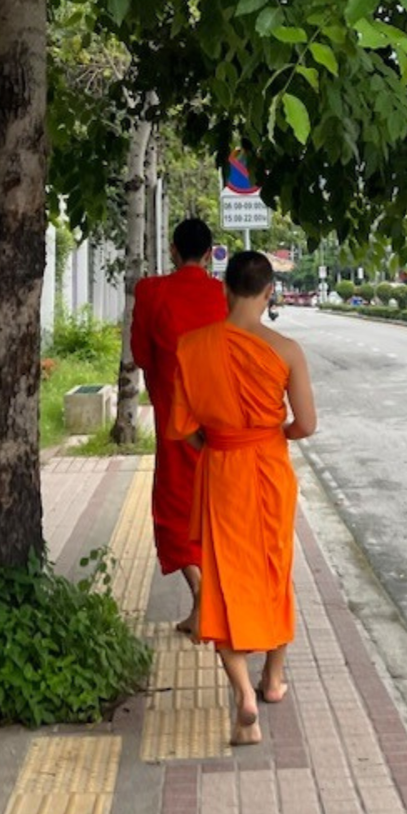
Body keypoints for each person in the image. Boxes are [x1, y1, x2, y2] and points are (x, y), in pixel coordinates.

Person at [169, 250, 318, 747]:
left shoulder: (192, 346)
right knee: (275, 570)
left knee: (224, 581)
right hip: (270, 471)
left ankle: (242, 695)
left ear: (225, 290)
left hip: (223, 472)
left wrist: (219, 444)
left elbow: (183, 429)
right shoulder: (287, 349)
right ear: (270, 292)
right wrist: (275, 433)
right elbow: (307, 425)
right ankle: (272, 681)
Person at [131, 217, 229, 635]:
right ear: (210, 254)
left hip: (176, 420)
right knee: (218, 509)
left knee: (175, 510)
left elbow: (140, 354)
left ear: (173, 250)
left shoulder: (152, 292)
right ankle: (222, 603)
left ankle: (201, 595)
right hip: (222, 420)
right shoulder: (224, 294)